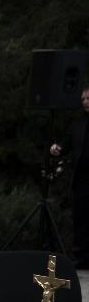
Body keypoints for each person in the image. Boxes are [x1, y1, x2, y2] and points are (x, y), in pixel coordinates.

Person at [49, 86, 89, 260]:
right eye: (83, 99)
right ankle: (81, 256)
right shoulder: (78, 124)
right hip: (82, 179)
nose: (86, 102)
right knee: (80, 218)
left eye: (88, 98)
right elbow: (65, 145)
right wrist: (58, 149)